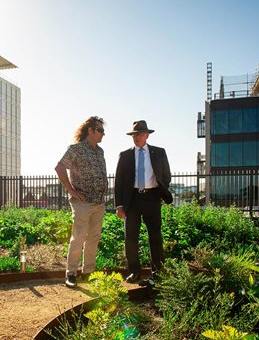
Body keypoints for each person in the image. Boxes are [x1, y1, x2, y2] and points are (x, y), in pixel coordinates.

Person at [114, 120, 172, 285]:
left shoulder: (159, 152)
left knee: (155, 236)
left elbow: (166, 175)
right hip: (132, 199)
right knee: (130, 237)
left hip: (152, 198)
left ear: (147, 135)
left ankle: (158, 274)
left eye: (140, 134)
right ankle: (134, 272)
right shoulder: (125, 156)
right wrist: (119, 205)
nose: (136, 137)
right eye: (134, 135)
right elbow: (118, 182)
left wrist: (160, 193)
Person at [55, 116, 108, 288]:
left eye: (103, 131)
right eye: (100, 130)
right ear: (90, 131)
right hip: (82, 203)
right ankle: (71, 273)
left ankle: (88, 273)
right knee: (78, 238)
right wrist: (71, 191)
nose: (103, 134)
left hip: (99, 203)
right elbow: (60, 167)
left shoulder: (100, 151)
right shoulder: (76, 149)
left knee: (93, 238)